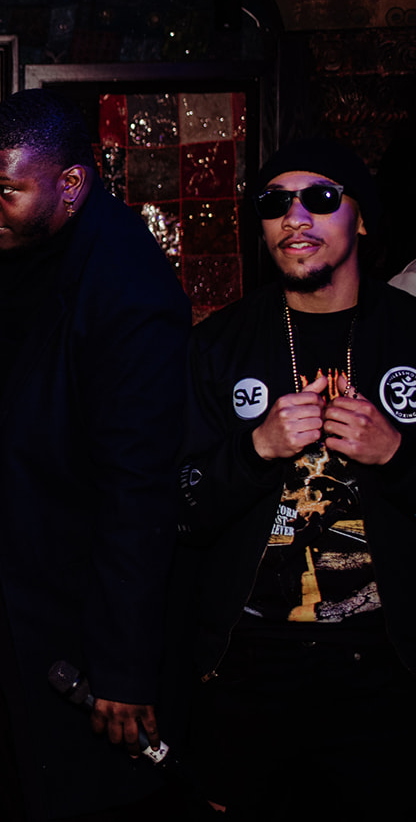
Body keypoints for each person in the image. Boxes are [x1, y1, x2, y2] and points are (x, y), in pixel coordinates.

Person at [0, 89, 190, 819]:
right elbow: (15, 392)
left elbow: (138, 485)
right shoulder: (21, 255)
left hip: (80, 613)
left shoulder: (125, 283)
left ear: (71, 184)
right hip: (18, 586)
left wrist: (123, 666)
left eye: (8, 188)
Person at [179, 138, 416, 818]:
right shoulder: (218, 345)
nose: (295, 217)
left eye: (319, 198)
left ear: (362, 219)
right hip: (249, 671)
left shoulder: (408, 334)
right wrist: (257, 450)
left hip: (390, 671)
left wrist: (394, 456)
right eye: (274, 203)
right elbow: (179, 507)